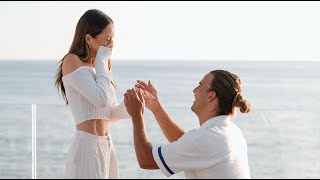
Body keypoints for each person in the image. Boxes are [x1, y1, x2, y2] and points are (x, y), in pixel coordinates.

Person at [124, 70, 252, 179]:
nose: (194, 90)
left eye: (200, 86)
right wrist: (155, 107)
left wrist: (136, 115)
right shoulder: (230, 131)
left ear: (211, 96)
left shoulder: (208, 138)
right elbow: (188, 144)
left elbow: (146, 160)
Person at [54, 9, 131, 179]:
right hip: (87, 147)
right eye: (108, 39)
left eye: (113, 39)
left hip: (107, 145)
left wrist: (133, 103)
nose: (111, 45)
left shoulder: (102, 67)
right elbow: (100, 99)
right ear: (89, 38)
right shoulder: (72, 61)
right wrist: (102, 60)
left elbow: (110, 113)